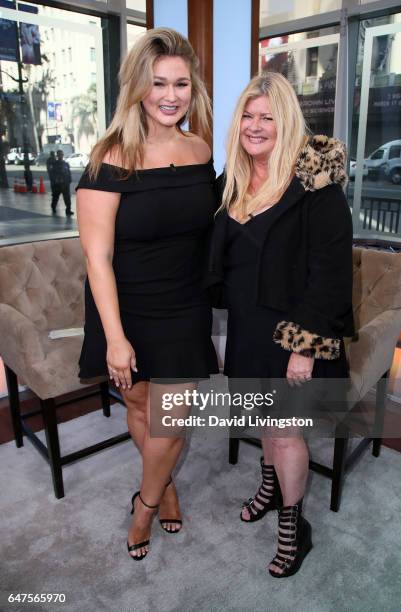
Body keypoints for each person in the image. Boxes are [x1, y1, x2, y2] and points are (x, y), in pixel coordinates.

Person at [76, 28, 218, 561]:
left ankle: (145, 503)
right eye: (158, 82)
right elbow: (97, 258)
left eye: (182, 83)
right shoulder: (109, 158)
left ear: (193, 88)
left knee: (172, 418)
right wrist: (115, 339)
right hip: (126, 306)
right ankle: (167, 484)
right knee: (141, 407)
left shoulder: (199, 148)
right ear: (137, 87)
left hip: (185, 304)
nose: (171, 94)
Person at [208, 72, 354, 578]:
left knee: (286, 432)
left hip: (295, 333)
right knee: (266, 426)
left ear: (286, 120)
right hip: (248, 329)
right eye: (247, 115)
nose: (255, 125)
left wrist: (305, 347)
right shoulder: (232, 180)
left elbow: (331, 273)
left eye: (267, 116)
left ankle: (294, 526)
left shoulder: (315, 184)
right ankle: (270, 490)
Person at [52, 150, 73, 216]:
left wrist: (69, 180)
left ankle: (68, 210)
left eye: (61, 154)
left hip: (65, 183)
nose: (61, 156)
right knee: (55, 197)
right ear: (57, 156)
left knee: (67, 198)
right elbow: (53, 174)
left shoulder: (66, 164)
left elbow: (68, 173)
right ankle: (53, 207)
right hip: (58, 184)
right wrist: (55, 182)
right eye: (59, 155)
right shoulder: (55, 164)